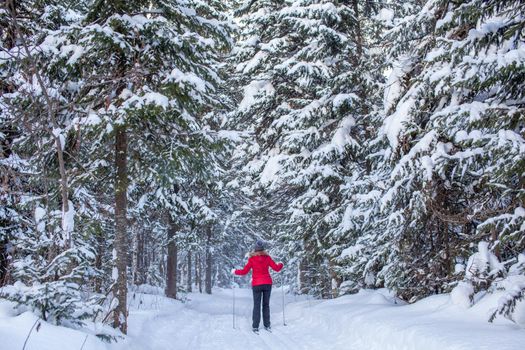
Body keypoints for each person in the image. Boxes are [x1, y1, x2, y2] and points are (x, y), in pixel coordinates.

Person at [231, 240, 283, 333]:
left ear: (255, 249)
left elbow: (244, 271)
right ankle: (267, 325)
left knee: (257, 305)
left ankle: (255, 326)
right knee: (266, 305)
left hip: (257, 284)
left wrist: (235, 271)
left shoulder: (252, 259)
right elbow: (277, 268)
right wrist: (281, 264)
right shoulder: (267, 258)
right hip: (267, 284)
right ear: (263, 248)